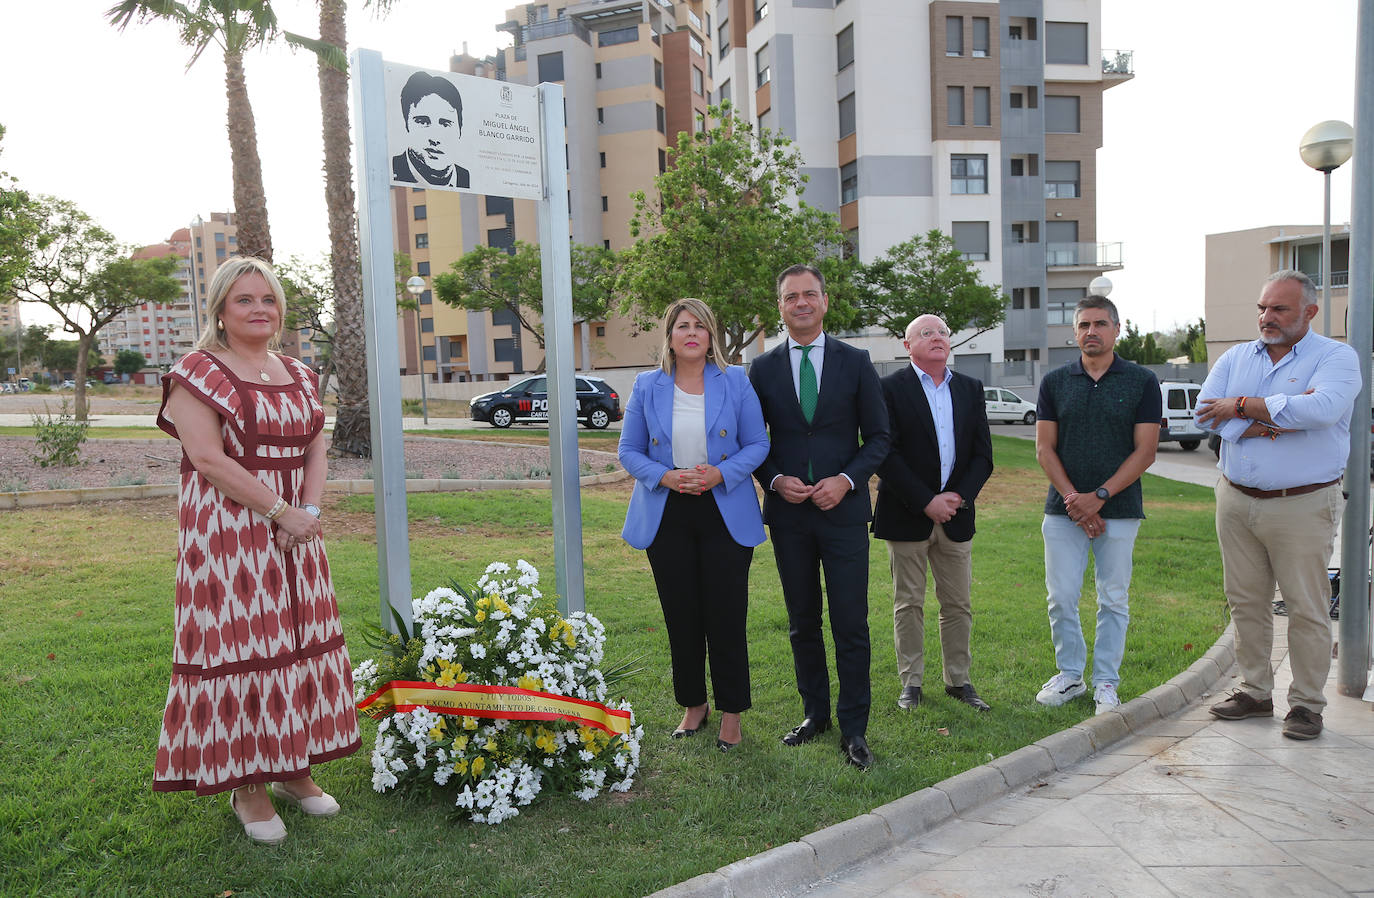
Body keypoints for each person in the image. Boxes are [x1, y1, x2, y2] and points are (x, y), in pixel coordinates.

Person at [153, 257, 360, 844]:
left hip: (297, 532)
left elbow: (317, 444)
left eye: (267, 299)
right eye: (244, 300)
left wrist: (309, 514)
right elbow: (209, 459)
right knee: (245, 647)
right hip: (228, 536)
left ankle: (296, 768)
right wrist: (281, 511)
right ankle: (248, 788)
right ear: (220, 308)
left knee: (296, 642)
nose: (259, 310)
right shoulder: (197, 371)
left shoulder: (298, 371)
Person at [1196, 270, 1360, 741]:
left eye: (1279, 309)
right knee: (1246, 602)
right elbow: (1206, 412)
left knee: (1307, 608)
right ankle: (1255, 691)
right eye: (1263, 308)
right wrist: (1280, 416)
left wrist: (1242, 405)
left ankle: (1307, 706)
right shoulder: (1235, 355)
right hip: (1235, 498)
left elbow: (1323, 410)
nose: (1267, 318)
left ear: (1309, 312)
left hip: (1303, 504)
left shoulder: (1336, 357)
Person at [749, 264, 890, 769]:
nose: (801, 303)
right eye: (791, 296)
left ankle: (855, 729)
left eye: (810, 294)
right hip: (790, 517)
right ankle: (815, 714)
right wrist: (773, 479)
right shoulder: (761, 369)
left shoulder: (856, 362)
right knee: (802, 621)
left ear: (825, 302)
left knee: (850, 622)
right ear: (781, 306)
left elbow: (879, 437)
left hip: (844, 512)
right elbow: (751, 442)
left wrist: (847, 480)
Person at [619, 299, 770, 751]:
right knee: (681, 615)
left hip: (723, 509)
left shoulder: (736, 381)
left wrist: (720, 473)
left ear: (711, 337)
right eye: (682, 326)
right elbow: (629, 450)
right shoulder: (646, 385)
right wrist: (664, 476)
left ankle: (732, 714)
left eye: (700, 326)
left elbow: (757, 443)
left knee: (726, 615)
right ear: (670, 336)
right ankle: (693, 705)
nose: (691, 333)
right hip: (667, 512)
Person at [1034, 294, 1160, 715]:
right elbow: (1044, 449)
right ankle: (1070, 675)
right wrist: (1076, 501)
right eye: (1084, 325)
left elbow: (1145, 452)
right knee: (1061, 597)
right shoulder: (1054, 382)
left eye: (1100, 324)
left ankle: (1107, 682)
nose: (1092, 331)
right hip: (1063, 511)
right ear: (1074, 332)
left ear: (1117, 329)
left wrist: (1100, 498)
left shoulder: (1142, 381)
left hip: (1120, 511)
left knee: (1113, 599)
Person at [872, 315, 994, 712]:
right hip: (907, 514)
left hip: (957, 517)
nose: (937, 337)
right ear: (907, 345)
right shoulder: (889, 389)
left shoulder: (971, 389)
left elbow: (982, 455)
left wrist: (957, 496)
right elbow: (884, 453)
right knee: (908, 603)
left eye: (943, 331)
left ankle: (959, 680)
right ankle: (912, 683)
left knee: (957, 603)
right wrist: (926, 500)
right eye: (926, 333)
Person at [391, 70, 471, 188]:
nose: (435, 138)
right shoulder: (391, 169)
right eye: (423, 122)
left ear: (460, 129)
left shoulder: (466, 177)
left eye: (445, 124)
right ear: (406, 124)